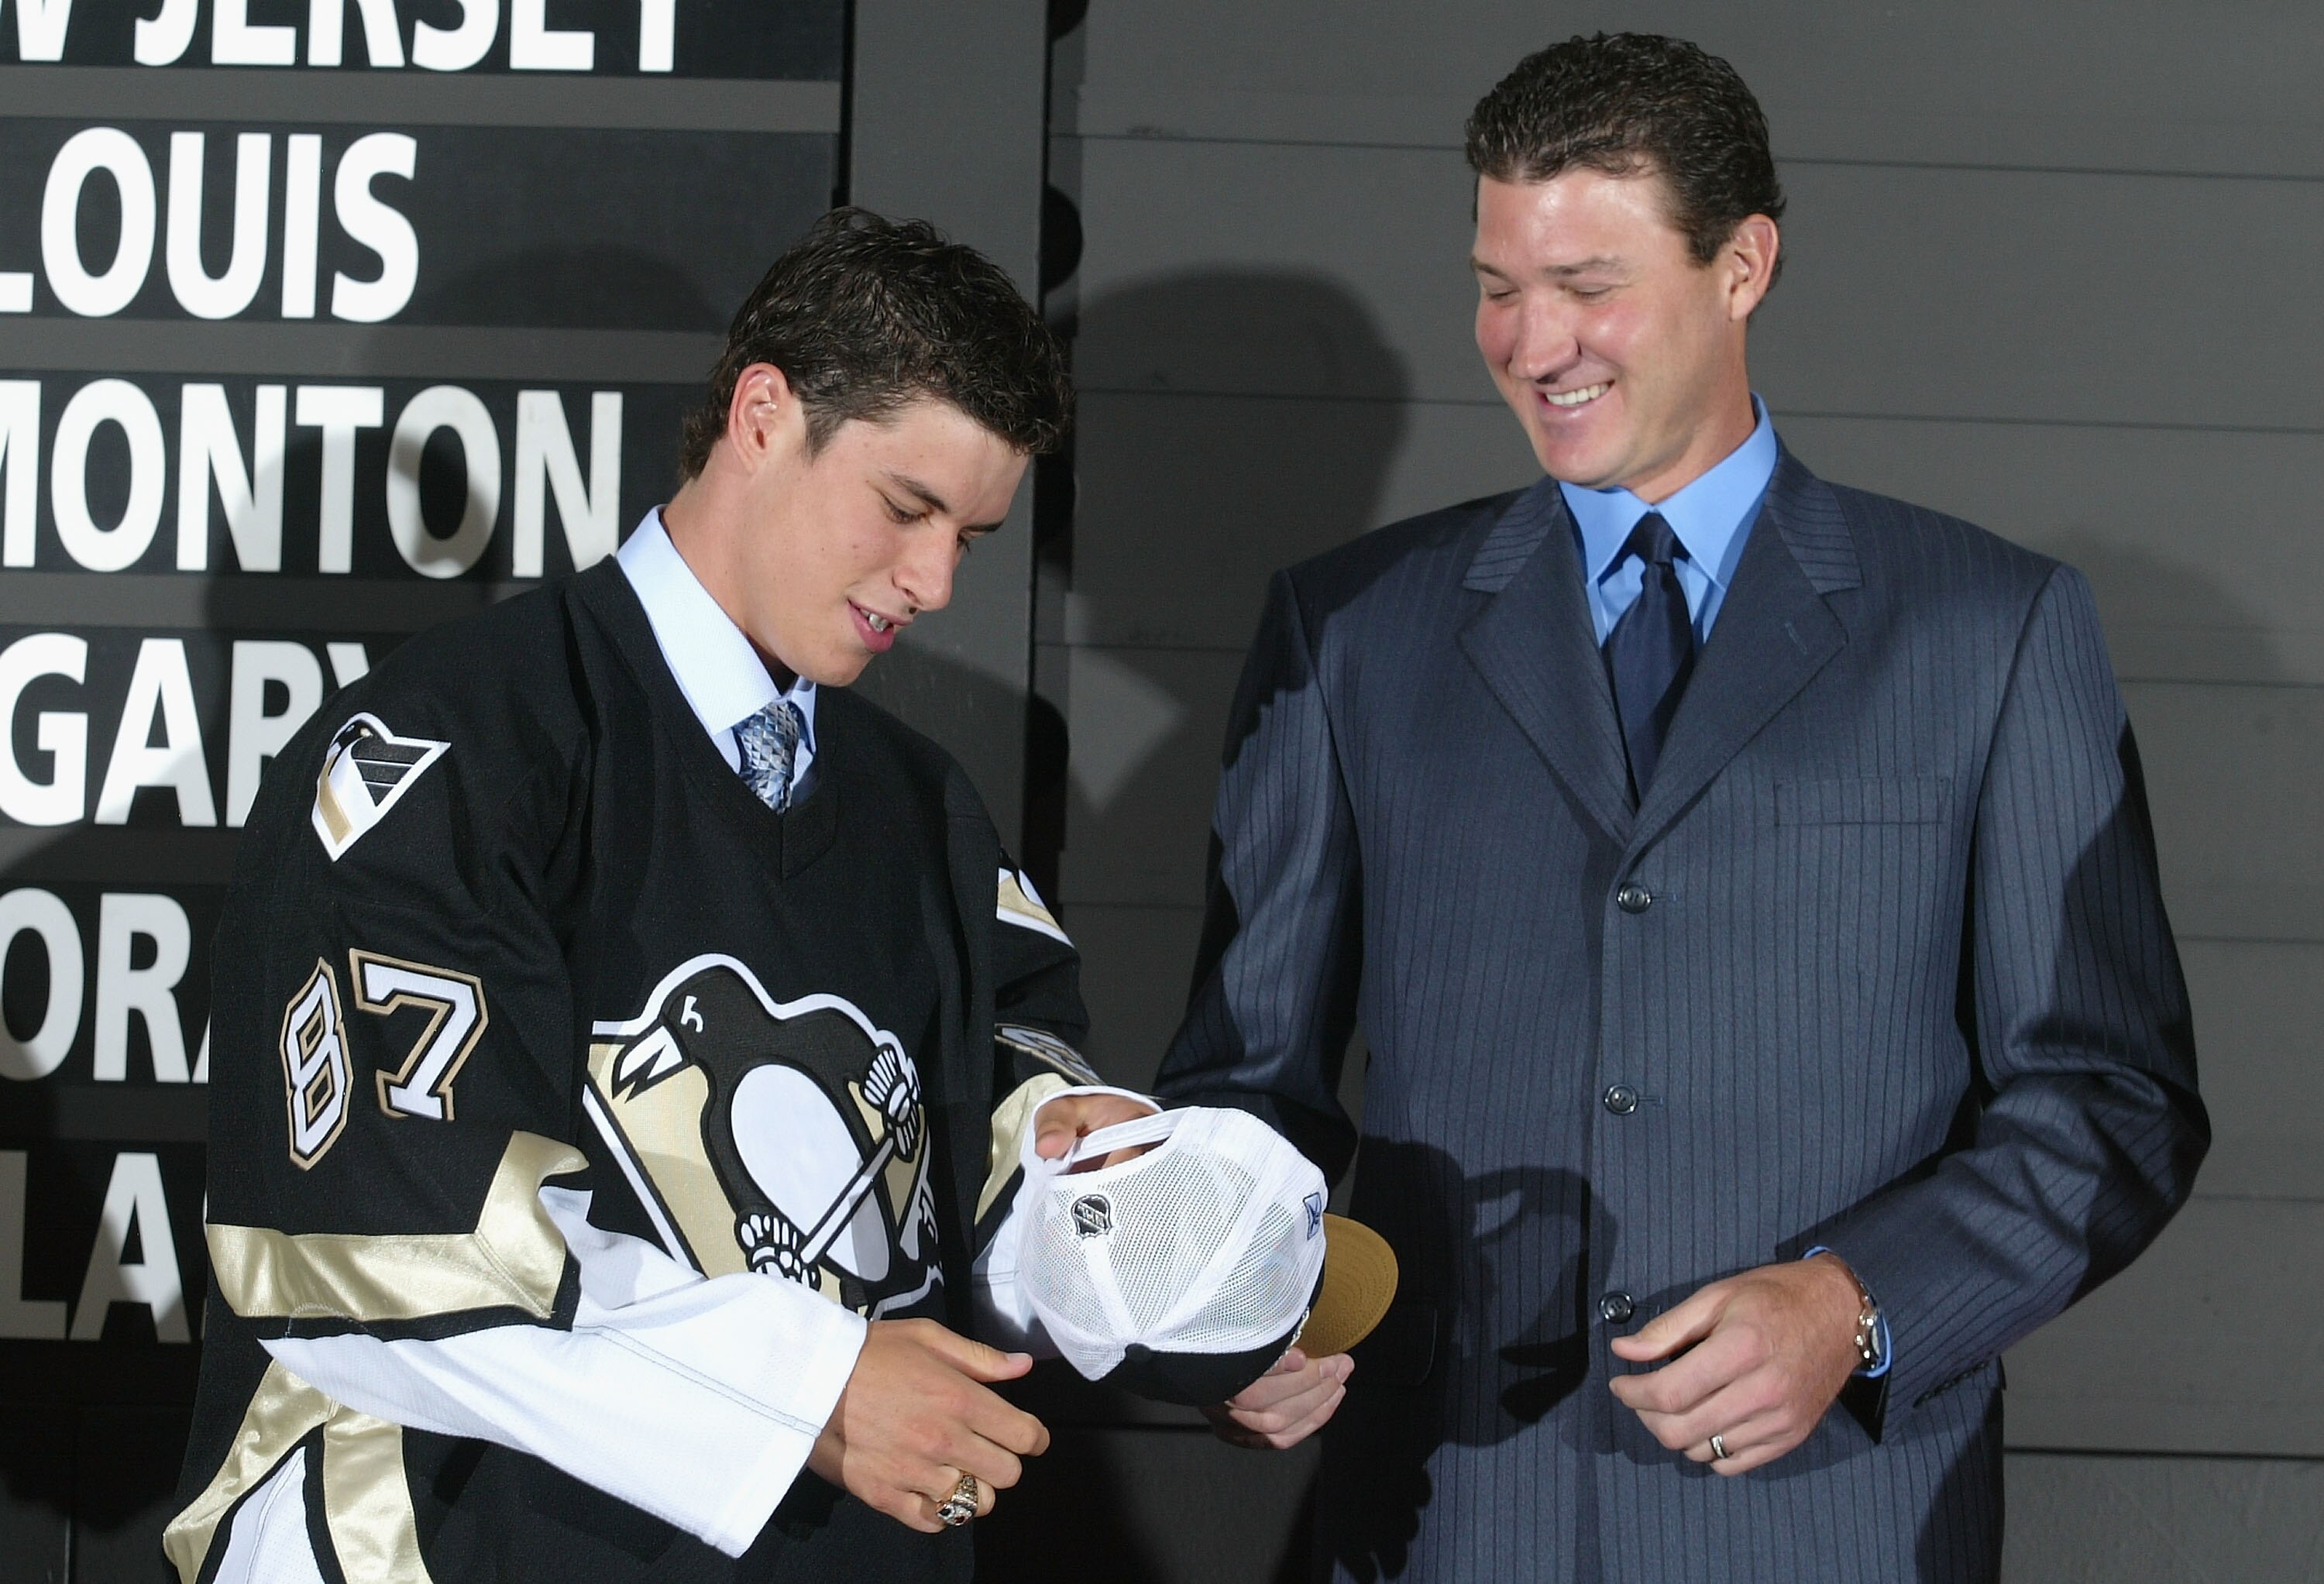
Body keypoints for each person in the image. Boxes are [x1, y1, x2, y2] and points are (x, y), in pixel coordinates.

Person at [1154, 33, 2208, 1582]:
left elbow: (2114, 1102)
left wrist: (1861, 1301)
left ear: (1743, 266)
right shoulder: (1349, 632)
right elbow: (1249, 1085)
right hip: (1440, 1527)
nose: (1530, 342)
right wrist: (1223, 1318)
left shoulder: (1991, 632)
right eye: (1500, 286)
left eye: (1588, 285)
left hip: (1838, 1527)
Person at [166, 208, 1160, 1583]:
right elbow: (379, 1252)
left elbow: (1010, 1126)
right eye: (906, 506)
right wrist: (812, 1387)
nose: (934, 582)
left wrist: (1168, 1243)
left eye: (971, 537)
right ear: (764, 415)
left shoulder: (925, 805)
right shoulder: (450, 752)